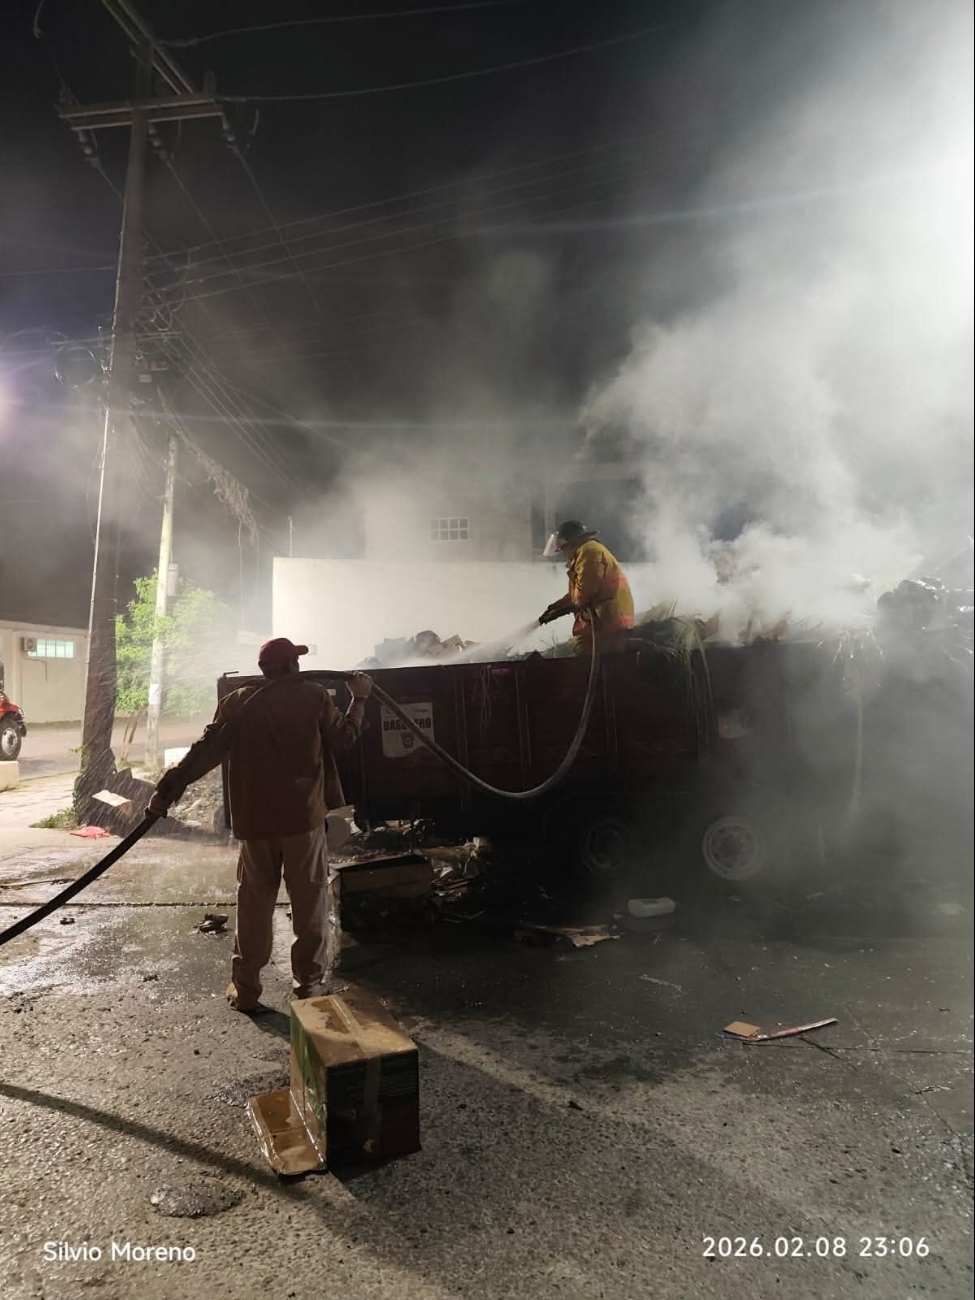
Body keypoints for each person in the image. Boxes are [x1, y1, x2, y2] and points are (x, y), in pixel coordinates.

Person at [148, 637, 372, 1012]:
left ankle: (246, 990)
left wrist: (166, 791)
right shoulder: (314, 697)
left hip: (255, 825)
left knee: (253, 907)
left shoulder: (238, 704)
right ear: (291, 667)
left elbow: (205, 750)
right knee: (309, 905)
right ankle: (309, 988)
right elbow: (344, 740)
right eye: (296, 662)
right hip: (302, 822)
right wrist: (359, 699)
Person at [538, 520, 635, 655]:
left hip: (608, 622)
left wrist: (557, 613)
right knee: (582, 650)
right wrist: (555, 607)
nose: (564, 554)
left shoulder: (589, 553)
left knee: (585, 653)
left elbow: (582, 597)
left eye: (563, 549)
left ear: (571, 543)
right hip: (605, 621)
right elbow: (577, 593)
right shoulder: (585, 553)